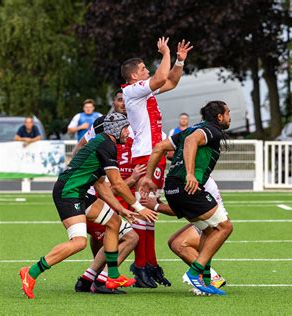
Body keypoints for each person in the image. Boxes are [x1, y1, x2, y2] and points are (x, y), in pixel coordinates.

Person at [19, 113, 158, 299]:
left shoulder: (103, 144)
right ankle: (31, 271)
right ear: (115, 128)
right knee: (79, 242)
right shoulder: (106, 145)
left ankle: (113, 277)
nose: (128, 132)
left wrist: (121, 209)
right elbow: (117, 184)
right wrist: (139, 208)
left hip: (79, 193)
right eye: (125, 128)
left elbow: (101, 185)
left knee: (114, 222)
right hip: (68, 194)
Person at [73, 89, 170, 289]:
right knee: (122, 234)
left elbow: (163, 147)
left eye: (127, 100)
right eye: (120, 100)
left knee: (119, 231)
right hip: (100, 192)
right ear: (114, 103)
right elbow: (108, 185)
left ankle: (90, 278)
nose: (124, 103)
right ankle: (102, 279)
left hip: (104, 191)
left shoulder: (142, 126)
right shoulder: (103, 130)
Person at [140, 101, 233, 296]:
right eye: (228, 113)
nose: (229, 117)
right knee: (225, 227)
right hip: (186, 186)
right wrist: (190, 174)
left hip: (171, 187)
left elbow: (159, 147)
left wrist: (148, 177)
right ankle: (195, 272)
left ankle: (207, 281)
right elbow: (192, 141)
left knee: (208, 229)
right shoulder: (211, 130)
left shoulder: (192, 128)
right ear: (219, 117)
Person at [121, 36, 192, 286]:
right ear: (133, 77)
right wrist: (165, 53)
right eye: (142, 69)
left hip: (154, 153)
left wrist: (180, 60)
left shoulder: (143, 91)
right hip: (145, 154)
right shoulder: (131, 90)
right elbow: (162, 77)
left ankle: (149, 263)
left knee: (150, 207)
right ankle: (141, 266)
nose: (147, 71)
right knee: (143, 207)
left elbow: (170, 81)